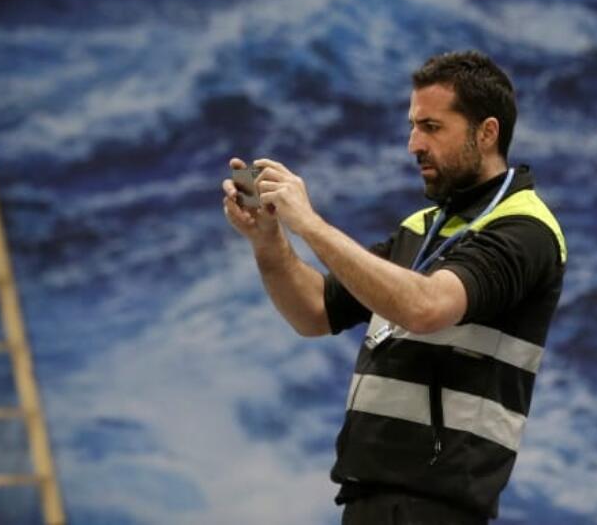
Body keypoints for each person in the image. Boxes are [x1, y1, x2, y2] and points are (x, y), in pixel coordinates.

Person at [223, 51, 567, 524]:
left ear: (487, 133)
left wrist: (311, 225)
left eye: (432, 127)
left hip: (438, 509)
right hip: (367, 499)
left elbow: (427, 308)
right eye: (412, 126)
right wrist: (269, 240)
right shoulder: (420, 229)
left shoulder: (526, 230)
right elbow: (314, 311)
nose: (412, 144)